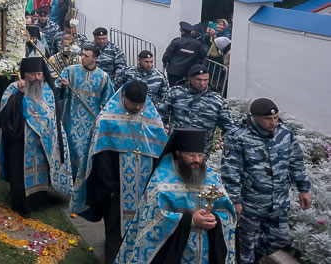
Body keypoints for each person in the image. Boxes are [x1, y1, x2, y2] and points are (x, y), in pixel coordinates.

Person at [70, 81, 168, 264]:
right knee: (115, 228)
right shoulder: (107, 120)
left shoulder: (153, 120)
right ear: (123, 97)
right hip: (116, 188)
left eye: (141, 104)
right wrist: (110, 188)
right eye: (133, 104)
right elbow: (101, 158)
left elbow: (160, 152)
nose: (137, 108)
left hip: (145, 187)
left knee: (143, 225)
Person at [115, 128, 237, 264]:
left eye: (200, 155)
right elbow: (153, 218)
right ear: (178, 153)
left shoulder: (211, 177)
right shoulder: (161, 179)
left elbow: (228, 212)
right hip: (176, 252)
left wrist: (215, 218)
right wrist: (190, 221)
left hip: (207, 251)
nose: (197, 160)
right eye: (191, 155)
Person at [221, 98, 312, 264]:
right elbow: (231, 170)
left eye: (276, 117)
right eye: (268, 119)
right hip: (250, 203)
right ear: (254, 117)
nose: (273, 122)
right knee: (245, 246)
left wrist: (303, 189)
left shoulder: (285, 133)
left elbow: (296, 162)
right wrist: (235, 200)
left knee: (280, 237)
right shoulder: (238, 136)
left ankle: (248, 255)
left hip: (279, 201)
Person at [0, 56, 72, 215]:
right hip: (22, 140)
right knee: (21, 175)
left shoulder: (47, 89)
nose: (36, 78)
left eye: (39, 74)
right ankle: (22, 204)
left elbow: (55, 110)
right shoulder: (13, 88)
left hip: (43, 142)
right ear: (24, 74)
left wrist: (63, 89)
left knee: (41, 172)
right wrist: (19, 95)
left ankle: (39, 200)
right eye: (32, 75)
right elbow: (5, 113)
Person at [58, 43, 115, 180]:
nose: (82, 58)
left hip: (91, 122)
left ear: (95, 59)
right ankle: (70, 178)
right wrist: (63, 87)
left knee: (86, 151)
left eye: (86, 56)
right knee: (71, 148)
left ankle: (85, 179)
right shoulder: (70, 71)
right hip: (71, 119)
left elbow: (108, 102)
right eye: (82, 54)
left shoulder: (103, 77)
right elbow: (59, 93)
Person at [158, 64, 234, 154]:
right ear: (190, 78)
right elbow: (160, 117)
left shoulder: (217, 100)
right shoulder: (175, 93)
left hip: (201, 150)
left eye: (205, 80)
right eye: (198, 79)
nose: (202, 83)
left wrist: (228, 147)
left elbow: (228, 127)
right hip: (177, 147)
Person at [162, 21, 207, 87]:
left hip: (174, 70)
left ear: (182, 32)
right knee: (187, 89)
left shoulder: (176, 41)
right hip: (188, 71)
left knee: (173, 88)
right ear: (191, 32)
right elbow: (203, 56)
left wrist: (164, 62)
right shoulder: (198, 44)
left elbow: (167, 55)